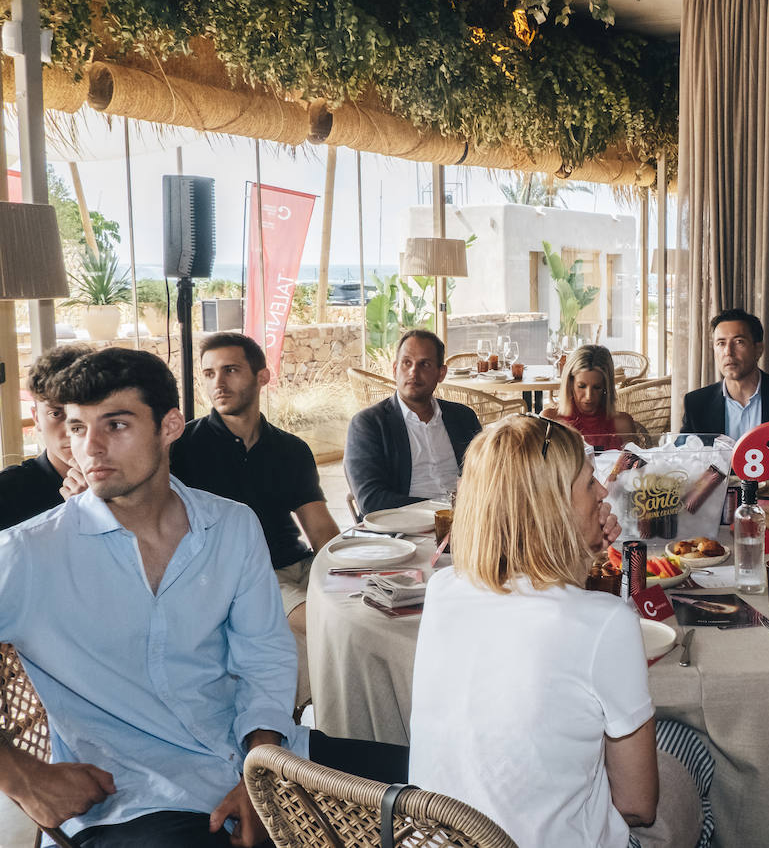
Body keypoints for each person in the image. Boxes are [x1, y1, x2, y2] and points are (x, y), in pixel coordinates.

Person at [0, 348, 407, 847]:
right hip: (133, 796)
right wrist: (23, 779)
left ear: (170, 427)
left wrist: (262, 772)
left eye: (117, 425)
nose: (92, 448)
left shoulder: (231, 526)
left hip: (260, 756)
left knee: (449, 778)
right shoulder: (31, 552)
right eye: (80, 428)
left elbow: (264, 656)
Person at [409, 414, 713, 848]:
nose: (604, 490)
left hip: (442, 839)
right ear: (551, 506)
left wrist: (583, 551)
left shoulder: (441, 590)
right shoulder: (606, 623)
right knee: (691, 748)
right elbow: (637, 805)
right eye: (590, 482)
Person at [170, 332, 339, 645]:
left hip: (299, 564)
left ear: (263, 376)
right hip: (246, 576)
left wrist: (353, 570)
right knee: (328, 623)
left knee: (367, 608)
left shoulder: (290, 448)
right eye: (209, 374)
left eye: (230, 370)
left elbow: (320, 530)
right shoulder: (181, 449)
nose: (217, 384)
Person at [345, 329, 482, 515]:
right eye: (406, 363)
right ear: (395, 369)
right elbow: (371, 500)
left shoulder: (463, 418)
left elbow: (485, 480)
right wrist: (445, 508)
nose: (413, 372)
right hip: (404, 531)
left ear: (441, 374)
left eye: (424, 364)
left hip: (468, 524)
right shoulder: (368, 425)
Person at [680, 308, 769, 478]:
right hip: (720, 500)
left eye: (739, 342)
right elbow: (681, 457)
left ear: (758, 349)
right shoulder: (697, 403)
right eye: (721, 343)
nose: (728, 352)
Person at [0, 343, 90, 529]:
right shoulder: (5, 493)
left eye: (83, 412)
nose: (71, 429)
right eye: (56, 414)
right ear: (36, 418)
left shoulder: (133, 483)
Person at [543, 343, 642, 450]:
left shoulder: (623, 424)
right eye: (581, 386)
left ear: (606, 386)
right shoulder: (550, 421)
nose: (589, 396)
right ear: (570, 383)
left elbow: (635, 465)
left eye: (597, 387)